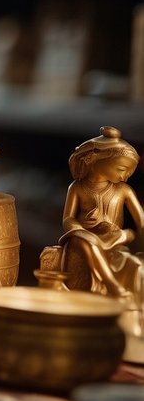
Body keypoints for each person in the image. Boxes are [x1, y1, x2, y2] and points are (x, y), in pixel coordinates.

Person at [60, 126, 144, 302]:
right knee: (84, 240)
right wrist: (79, 228)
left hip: (115, 239)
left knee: (134, 263)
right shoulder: (77, 188)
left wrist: (125, 236)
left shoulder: (124, 190)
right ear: (95, 160)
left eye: (129, 173)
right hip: (86, 238)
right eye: (121, 169)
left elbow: (141, 222)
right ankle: (112, 285)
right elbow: (68, 218)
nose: (125, 177)